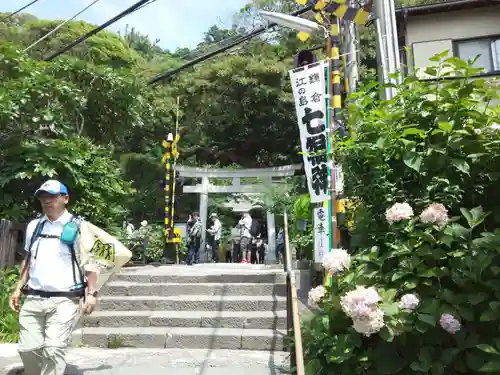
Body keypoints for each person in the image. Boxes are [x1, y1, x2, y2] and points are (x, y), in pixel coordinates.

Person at [9, 179, 99, 375]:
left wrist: (92, 293)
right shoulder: (34, 226)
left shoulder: (79, 226)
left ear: (65, 198)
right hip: (34, 297)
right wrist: (18, 289)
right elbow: (28, 260)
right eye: (43, 197)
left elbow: (91, 263)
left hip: (65, 299)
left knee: (53, 348)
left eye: (52, 196)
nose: (47, 201)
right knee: (27, 349)